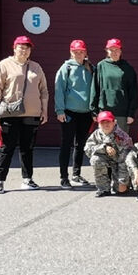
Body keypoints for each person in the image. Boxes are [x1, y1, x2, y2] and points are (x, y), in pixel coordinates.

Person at [0, 35, 48, 194]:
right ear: (14, 48)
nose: (24, 50)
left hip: (31, 114)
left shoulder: (36, 67)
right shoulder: (4, 65)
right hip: (10, 114)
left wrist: (44, 110)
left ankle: (27, 179)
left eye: (27, 48)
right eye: (21, 47)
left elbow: (43, 91)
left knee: (27, 148)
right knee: (6, 148)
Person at [53, 38, 93, 189]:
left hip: (86, 113)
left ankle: (76, 174)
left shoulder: (91, 68)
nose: (78, 54)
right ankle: (64, 177)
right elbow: (59, 90)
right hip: (69, 113)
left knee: (80, 144)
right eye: (76, 52)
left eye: (81, 51)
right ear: (71, 52)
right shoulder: (66, 68)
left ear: (85, 52)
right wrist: (60, 110)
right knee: (66, 144)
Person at [90, 38, 138, 135]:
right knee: (105, 141)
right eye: (111, 50)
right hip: (105, 111)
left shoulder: (128, 68)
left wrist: (131, 113)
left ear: (121, 51)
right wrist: (94, 111)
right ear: (107, 51)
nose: (114, 52)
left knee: (121, 141)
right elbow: (95, 89)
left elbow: (133, 92)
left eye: (117, 50)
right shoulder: (101, 66)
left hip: (122, 113)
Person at [83, 111, 133, 197]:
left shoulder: (122, 136)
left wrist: (122, 181)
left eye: (108, 122)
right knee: (95, 159)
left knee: (121, 190)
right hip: (104, 161)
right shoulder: (96, 134)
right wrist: (104, 148)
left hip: (119, 164)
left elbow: (126, 160)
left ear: (114, 122)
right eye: (103, 122)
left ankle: (123, 183)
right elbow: (87, 150)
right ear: (99, 124)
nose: (106, 125)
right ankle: (103, 189)